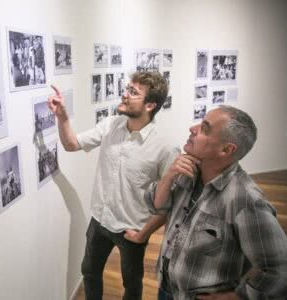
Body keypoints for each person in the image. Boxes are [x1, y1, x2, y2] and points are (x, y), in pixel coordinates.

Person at [129, 106, 287, 299]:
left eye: (205, 128)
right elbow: (156, 206)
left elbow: (279, 269)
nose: (192, 128)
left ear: (226, 149)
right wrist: (168, 176)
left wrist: (237, 297)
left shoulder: (246, 201)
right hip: (168, 289)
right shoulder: (188, 171)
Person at [48, 71, 179, 300]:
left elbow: (168, 204)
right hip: (99, 220)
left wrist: (143, 234)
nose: (125, 94)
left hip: (132, 230)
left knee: (132, 284)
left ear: (150, 105)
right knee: (89, 272)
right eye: (127, 88)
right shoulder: (110, 125)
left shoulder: (165, 148)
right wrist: (62, 117)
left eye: (133, 92)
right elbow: (71, 144)